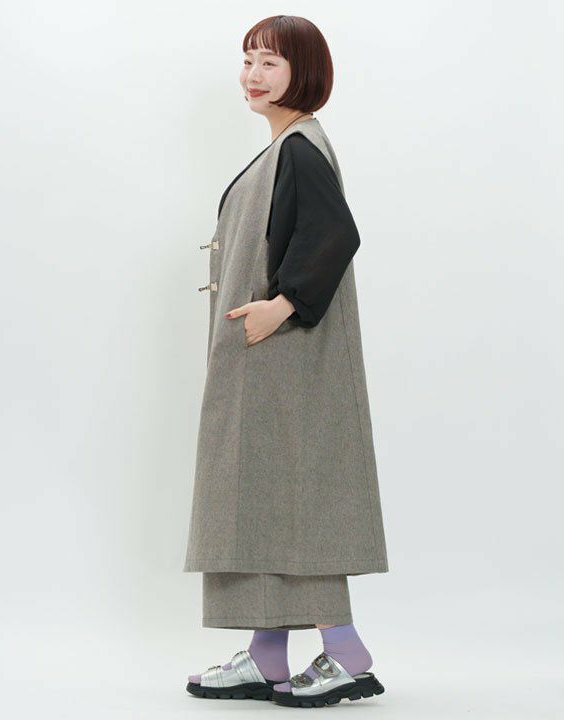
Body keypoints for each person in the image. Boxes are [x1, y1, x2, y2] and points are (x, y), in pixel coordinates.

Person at [184, 15, 389, 708]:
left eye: (270, 61)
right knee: (260, 500)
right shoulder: (282, 149)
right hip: (266, 365)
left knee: (298, 503)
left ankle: (347, 655)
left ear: (304, 72)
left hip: (287, 361)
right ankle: (267, 655)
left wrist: (283, 304)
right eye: (248, 59)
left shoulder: (300, 148)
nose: (253, 74)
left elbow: (335, 233)